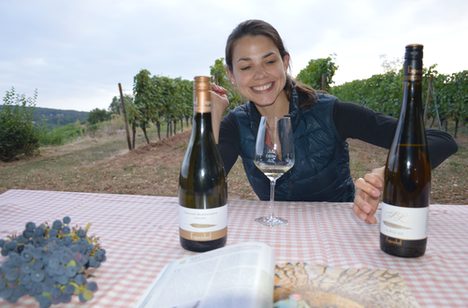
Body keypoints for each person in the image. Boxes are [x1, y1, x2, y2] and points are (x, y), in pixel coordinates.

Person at [209, 19, 458, 224]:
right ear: (232, 75)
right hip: (276, 233)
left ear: (285, 62)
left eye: (269, 61)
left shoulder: (330, 111)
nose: (260, 74)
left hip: (340, 229)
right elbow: (203, 186)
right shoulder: (235, 125)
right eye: (246, 67)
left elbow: (442, 141)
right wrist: (213, 115)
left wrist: (390, 174)